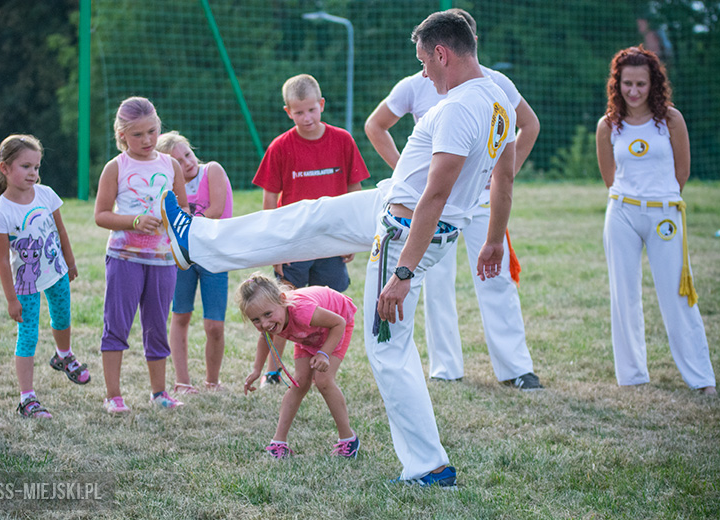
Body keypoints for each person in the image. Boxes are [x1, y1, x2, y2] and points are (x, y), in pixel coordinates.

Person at [162, 10, 517, 486]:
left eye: (423, 63)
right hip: (388, 205)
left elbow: (437, 193)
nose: (423, 74)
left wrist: (404, 272)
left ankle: (430, 467)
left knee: (388, 349)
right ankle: (198, 242)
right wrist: (494, 238)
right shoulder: (499, 96)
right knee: (304, 217)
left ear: (442, 53)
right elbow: (505, 174)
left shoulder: (459, 107)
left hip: (406, 233)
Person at [365, 8, 542, 388]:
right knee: (433, 282)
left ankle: (516, 369)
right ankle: (446, 368)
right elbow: (375, 125)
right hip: (429, 205)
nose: (426, 67)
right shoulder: (416, 83)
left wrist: (495, 174)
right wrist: (405, 176)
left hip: (474, 202)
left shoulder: (494, 87)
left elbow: (528, 126)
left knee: (495, 276)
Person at [595, 46, 716, 395]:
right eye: (627, 84)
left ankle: (702, 380)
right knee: (624, 295)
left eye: (641, 84)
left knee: (679, 297)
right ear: (617, 84)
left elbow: (682, 172)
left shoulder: (671, 120)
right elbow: (609, 177)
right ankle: (632, 377)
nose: (633, 92)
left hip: (666, 215)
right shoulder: (608, 125)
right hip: (621, 214)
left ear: (654, 84)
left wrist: (659, 199)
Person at [253, 74, 369, 386]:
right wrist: (274, 247)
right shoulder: (280, 147)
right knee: (279, 310)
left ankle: (320, 367)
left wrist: (352, 238)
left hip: (331, 242)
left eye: (311, 110)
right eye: (298, 112)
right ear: (288, 112)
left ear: (322, 105)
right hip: (293, 243)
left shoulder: (342, 140)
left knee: (323, 309)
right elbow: (268, 200)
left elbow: (354, 192)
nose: (306, 117)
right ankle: (272, 373)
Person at [94, 97, 189, 413]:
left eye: (152, 131)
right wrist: (134, 221)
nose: (147, 140)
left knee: (157, 325)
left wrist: (173, 218)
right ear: (122, 136)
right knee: (117, 324)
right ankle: (113, 396)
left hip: (163, 261)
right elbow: (101, 215)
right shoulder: (115, 167)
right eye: (137, 135)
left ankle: (159, 393)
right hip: (124, 259)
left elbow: (184, 209)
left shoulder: (171, 166)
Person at [0, 135, 90, 419]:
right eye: (26, 166)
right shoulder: (2, 213)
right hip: (26, 285)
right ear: (5, 168)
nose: (33, 173)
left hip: (55, 274)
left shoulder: (46, 194)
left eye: (36, 167)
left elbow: (61, 231)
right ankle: (27, 398)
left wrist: (69, 261)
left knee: (63, 317)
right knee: (28, 335)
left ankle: (63, 355)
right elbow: (2, 262)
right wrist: (11, 300)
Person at [238, 273, 359, 459]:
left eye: (268, 314)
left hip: (335, 324)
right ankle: (278, 443)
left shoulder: (302, 311)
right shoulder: (273, 323)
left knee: (323, 380)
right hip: (308, 333)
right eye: (256, 320)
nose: (264, 323)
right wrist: (256, 370)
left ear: (282, 300)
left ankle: (348, 439)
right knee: (299, 382)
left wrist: (324, 353)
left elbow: (338, 323)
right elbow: (265, 338)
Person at [156, 131, 232, 394]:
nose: (187, 162)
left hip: (213, 256)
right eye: (177, 161)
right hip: (183, 259)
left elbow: (215, 211)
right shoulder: (168, 188)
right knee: (180, 316)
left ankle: (212, 381)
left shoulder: (211, 171)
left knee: (214, 325)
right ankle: (183, 381)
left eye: (187, 154)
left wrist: (183, 226)